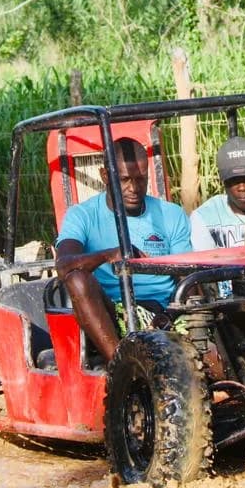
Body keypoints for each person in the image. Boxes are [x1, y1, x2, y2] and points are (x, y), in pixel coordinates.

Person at [55, 137, 192, 363]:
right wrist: (109, 255)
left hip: (166, 310)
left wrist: (170, 315)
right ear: (105, 176)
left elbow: (188, 276)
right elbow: (63, 265)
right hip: (112, 311)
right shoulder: (83, 215)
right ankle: (121, 367)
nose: (134, 188)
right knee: (77, 279)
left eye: (141, 179)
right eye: (125, 180)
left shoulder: (171, 214)